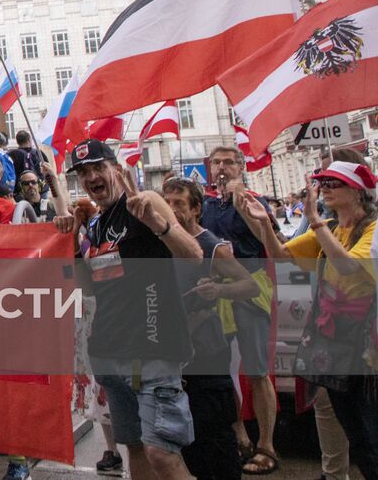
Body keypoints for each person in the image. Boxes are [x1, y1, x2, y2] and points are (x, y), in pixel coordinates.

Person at [67, 140, 201, 480]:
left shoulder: (144, 201)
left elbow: (193, 256)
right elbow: (88, 289)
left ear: (116, 168)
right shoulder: (96, 224)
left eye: (99, 167)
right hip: (110, 352)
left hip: (152, 350)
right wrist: (73, 241)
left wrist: (159, 224)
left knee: (163, 454)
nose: (92, 177)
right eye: (84, 173)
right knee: (136, 450)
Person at [238, 154, 378, 478]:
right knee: (356, 432)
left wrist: (314, 219)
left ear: (357, 191)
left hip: (366, 348)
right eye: (321, 183)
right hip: (335, 343)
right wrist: (263, 223)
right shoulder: (329, 229)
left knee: (370, 433)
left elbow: (347, 265)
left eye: (333, 183)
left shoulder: (371, 230)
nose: (323, 188)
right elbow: (281, 256)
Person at [162, 177, 258, 480]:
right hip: (174, 356)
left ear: (196, 209)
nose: (173, 210)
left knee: (215, 438)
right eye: (168, 203)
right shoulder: (162, 242)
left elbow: (250, 285)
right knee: (186, 441)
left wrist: (219, 291)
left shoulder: (210, 245)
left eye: (179, 203)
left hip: (208, 353)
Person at [200, 146, 280, 476]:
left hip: (250, 287)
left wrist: (242, 203)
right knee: (223, 370)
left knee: (257, 369)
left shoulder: (253, 201)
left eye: (228, 162)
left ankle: (267, 444)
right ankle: (239, 434)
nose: (222, 168)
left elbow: (267, 238)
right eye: (216, 162)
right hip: (216, 291)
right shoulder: (203, 205)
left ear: (240, 167)